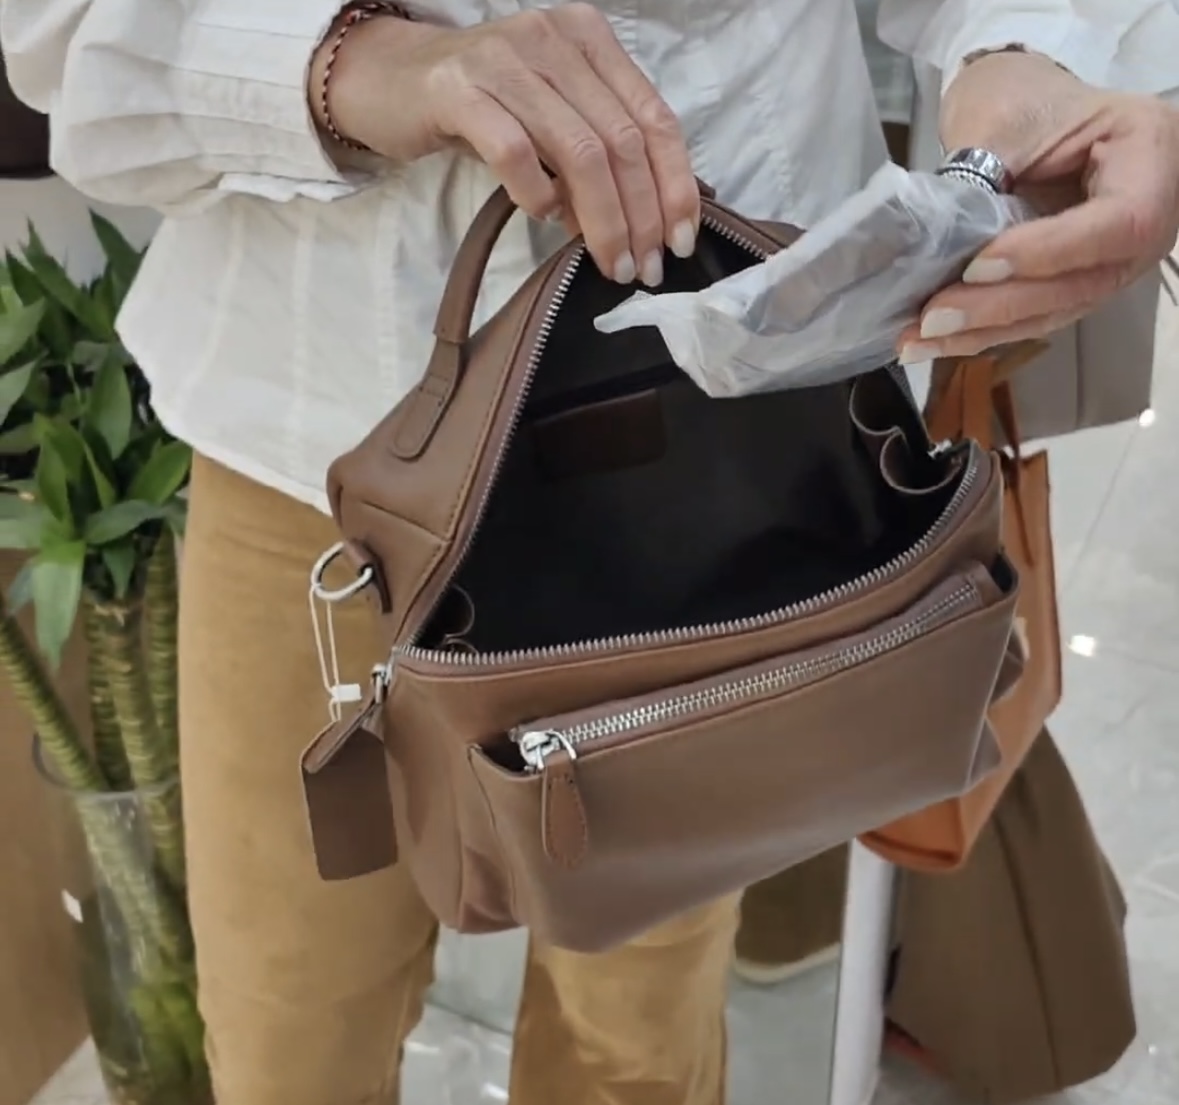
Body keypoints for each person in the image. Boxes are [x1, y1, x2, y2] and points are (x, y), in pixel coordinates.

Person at [4, 2, 1178, 1104]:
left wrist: (1028, 48)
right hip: (310, 427)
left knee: (638, 1042)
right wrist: (352, 57)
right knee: (288, 1026)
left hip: (726, 405)